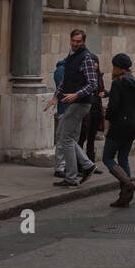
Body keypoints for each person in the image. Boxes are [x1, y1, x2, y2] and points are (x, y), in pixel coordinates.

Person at [53, 29, 98, 186]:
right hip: (73, 102)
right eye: (73, 41)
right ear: (70, 39)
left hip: (81, 102)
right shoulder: (71, 56)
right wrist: (55, 96)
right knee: (67, 137)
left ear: (83, 42)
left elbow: (93, 84)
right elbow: (66, 79)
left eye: (78, 41)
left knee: (64, 136)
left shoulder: (86, 57)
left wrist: (76, 95)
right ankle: (86, 166)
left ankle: (72, 176)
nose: (75, 44)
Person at [103, 53, 135, 207]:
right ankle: (125, 197)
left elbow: (113, 107)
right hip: (133, 125)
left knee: (107, 157)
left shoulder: (117, 83)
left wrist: (107, 117)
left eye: (113, 65)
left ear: (118, 67)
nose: (112, 69)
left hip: (119, 126)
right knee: (123, 159)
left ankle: (128, 183)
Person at [78, 51, 106, 173]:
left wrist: (104, 93)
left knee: (91, 139)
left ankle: (91, 165)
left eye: (96, 63)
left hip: (96, 110)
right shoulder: (84, 76)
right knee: (81, 138)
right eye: (93, 63)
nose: (95, 65)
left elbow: (102, 90)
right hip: (86, 111)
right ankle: (79, 166)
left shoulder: (99, 76)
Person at [46, 57, 68, 178]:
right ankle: (60, 167)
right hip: (65, 109)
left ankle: (74, 165)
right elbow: (62, 88)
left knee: (69, 140)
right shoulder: (61, 70)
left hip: (72, 109)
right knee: (62, 139)